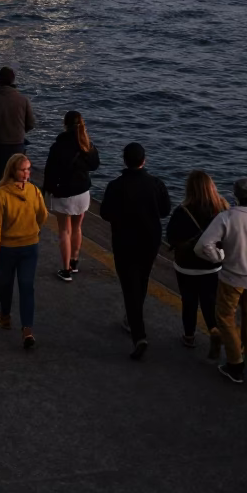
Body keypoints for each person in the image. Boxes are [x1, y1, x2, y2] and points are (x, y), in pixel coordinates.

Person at [99, 142, 171, 360]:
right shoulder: (156, 183)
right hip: (150, 241)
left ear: (124, 160)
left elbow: (105, 213)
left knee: (129, 285)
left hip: (124, 241)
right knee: (142, 278)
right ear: (144, 160)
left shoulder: (115, 186)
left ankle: (138, 334)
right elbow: (165, 211)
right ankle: (133, 318)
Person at [0, 152, 47, 348]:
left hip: (23, 247)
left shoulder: (31, 191)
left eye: (28, 169)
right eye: (23, 169)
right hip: (12, 248)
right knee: (13, 285)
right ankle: (5, 316)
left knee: (23, 286)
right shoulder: (2, 195)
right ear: (13, 170)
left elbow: (42, 214)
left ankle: (26, 329)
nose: (27, 173)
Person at [166, 171, 228, 355]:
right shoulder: (221, 209)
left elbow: (171, 237)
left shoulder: (181, 212)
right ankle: (214, 331)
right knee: (210, 302)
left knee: (189, 301)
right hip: (212, 266)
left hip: (186, 267)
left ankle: (189, 336)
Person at [195, 177, 247, 384]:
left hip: (231, 277)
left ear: (236, 195)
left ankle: (235, 364)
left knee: (226, 318)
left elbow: (203, 246)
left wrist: (220, 257)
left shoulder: (226, 217)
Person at [42, 111, 100, 280]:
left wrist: (46, 190)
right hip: (82, 192)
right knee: (77, 228)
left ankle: (66, 269)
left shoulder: (59, 145)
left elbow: (50, 171)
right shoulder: (86, 143)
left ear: (65, 124)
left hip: (64, 192)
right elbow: (94, 165)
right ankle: (74, 262)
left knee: (64, 231)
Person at [0, 67, 35, 189]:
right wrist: (20, 131)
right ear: (13, 80)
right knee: (18, 178)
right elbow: (31, 123)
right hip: (18, 145)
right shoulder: (23, 99)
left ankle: (0, 205)